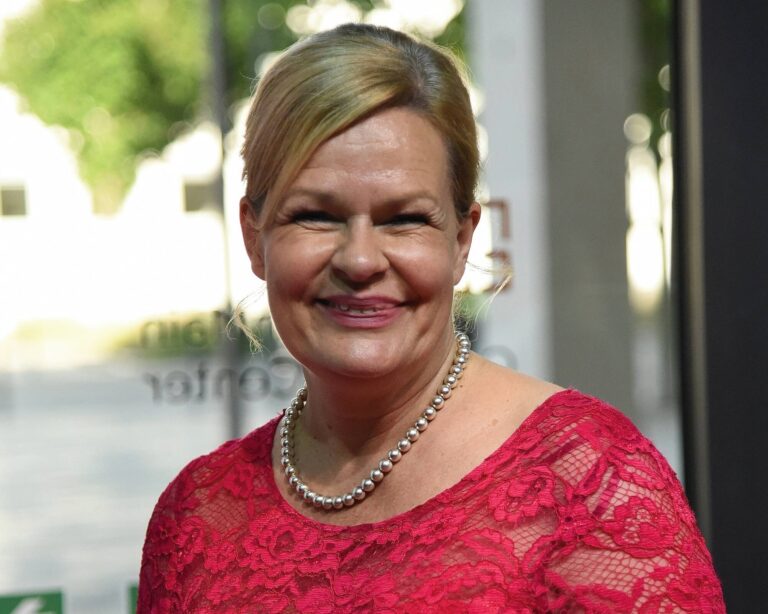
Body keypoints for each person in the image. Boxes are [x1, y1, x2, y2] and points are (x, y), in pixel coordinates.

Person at [138, 23, 725, 613]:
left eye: (405, 220)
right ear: (254, 238)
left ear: (462, 241)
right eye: (316, 215)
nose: (360, 260)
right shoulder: (196, 514)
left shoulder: (588, 485)